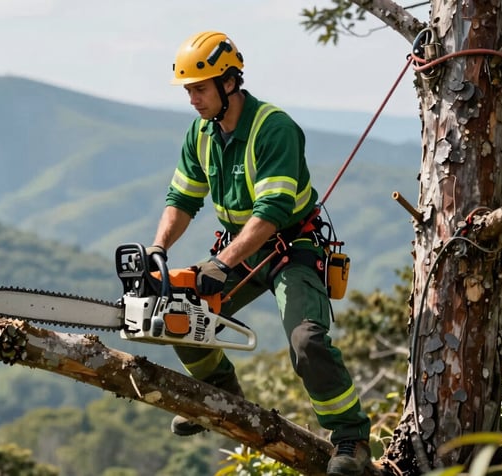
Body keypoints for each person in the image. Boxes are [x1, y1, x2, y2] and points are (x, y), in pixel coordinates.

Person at [146, 31, 373, 476]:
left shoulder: (275, 129)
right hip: (238, 248)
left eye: (200, 88)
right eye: (189, 90)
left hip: (292, 249)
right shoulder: (201, 133)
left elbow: (270, 214)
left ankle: (351, 440)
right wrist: (158, 249)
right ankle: (220, 393)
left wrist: (222, 263)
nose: (192, 99)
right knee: (172, 309)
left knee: (307, 342)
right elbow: (181, 199)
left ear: (229, 83)